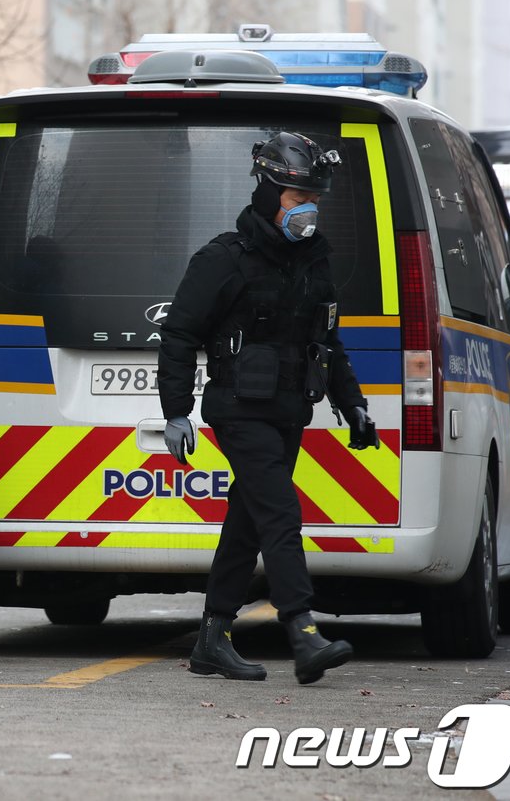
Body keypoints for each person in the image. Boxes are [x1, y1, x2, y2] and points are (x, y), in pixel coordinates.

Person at [158, 131, 373, 685]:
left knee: (249, 521)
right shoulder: (225, 258)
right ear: (268, 191)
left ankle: (212, 636)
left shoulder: (314, 261)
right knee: (279, 511)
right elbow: (179, 333)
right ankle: (302, 630)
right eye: (298, 199)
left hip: (287, 410)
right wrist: (177, 410)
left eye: (315, 201)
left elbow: (328, 341)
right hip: (238, 409)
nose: (308, 210)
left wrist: (354, 407)